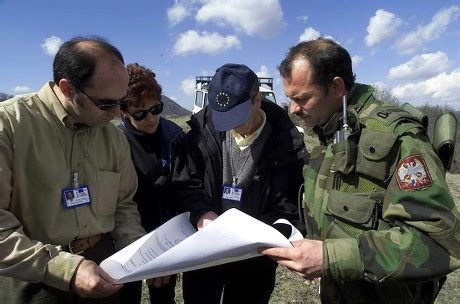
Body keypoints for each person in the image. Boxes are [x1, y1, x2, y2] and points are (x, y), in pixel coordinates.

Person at [260, 38, 460, 303]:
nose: (294, 109)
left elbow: (439, 241)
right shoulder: (329, 131)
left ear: (336, 87)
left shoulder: (398, 138)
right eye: (290, 99)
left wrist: (330, 257)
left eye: (302, 98)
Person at [0, 36, 147, 303]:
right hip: (34, 279)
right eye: (106, 104)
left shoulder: (114, 138)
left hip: (108, 269)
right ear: (67, 89)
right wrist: (63, 268)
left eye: (122, 102)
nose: (117, 114)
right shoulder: (9, 126)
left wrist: (134, 250)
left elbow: (124, 204)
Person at [182, 63, 307, 304]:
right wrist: (201, 212)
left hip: (254, 260)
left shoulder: (287, 144)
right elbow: (187, 182)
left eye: (237, 117)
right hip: (206, 252)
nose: (231, 125)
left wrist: (265, 233)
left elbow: (289, 203)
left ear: (257, 99)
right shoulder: (201, 132)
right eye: (224, 117)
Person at [118, 63, 211, 304]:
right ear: (123, 112)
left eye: (156, 108)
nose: (150, 118)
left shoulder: (174, 136)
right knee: (126, 294)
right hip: (125, 236)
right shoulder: (114, 142)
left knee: (163, 296)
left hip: (165, 234)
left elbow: (185, 185)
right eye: (140, 113)